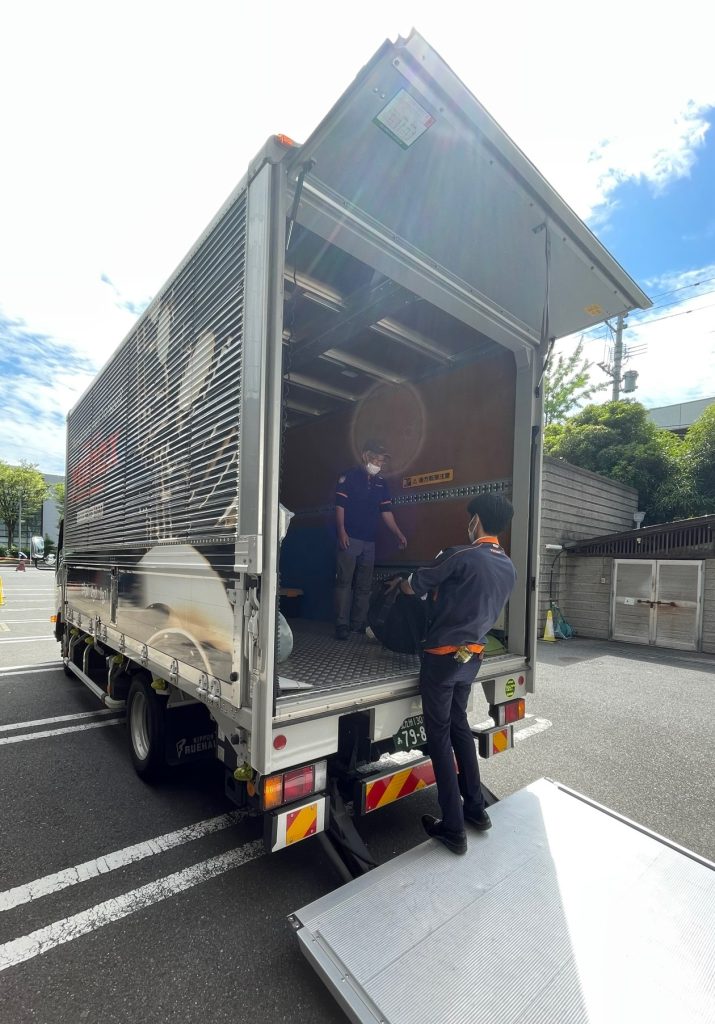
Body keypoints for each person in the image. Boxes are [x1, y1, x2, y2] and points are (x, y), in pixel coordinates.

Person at [395, 493, 516, 854]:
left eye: (470, 519)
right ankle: (476, 809)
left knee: (439, 738)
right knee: (459, 725)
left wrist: (403, 583)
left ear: (476, 520)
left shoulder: (462, 556)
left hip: (442, 658)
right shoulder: (507, 566)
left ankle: (452, 827)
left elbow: (414, 585)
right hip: (472, 657)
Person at [334, 440, 407, 641]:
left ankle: (358, 624)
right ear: (365, 456)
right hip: (350, 537)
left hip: (369, 541)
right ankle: (341, 624)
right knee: (344, 582)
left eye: (381, 461)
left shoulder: (382, 483)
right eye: (376, 459)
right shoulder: (348, 476)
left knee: (364, 585)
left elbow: (386, 512)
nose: (378, 464)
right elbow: (340, 506)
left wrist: (398, 533)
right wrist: (341, 531)